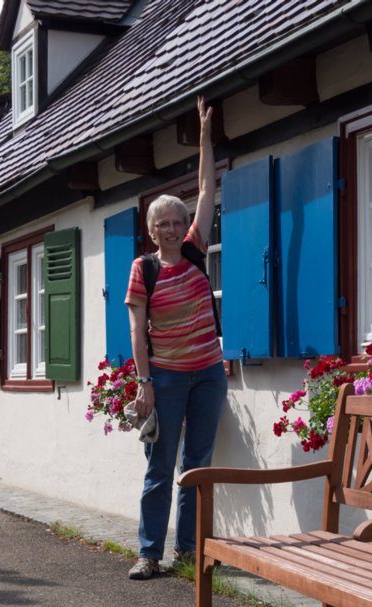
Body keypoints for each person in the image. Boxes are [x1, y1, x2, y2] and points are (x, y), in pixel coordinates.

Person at [123, 95, 227, 580]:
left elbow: (207, 189)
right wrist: (144, 383)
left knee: (198, 465)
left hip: (208, 374)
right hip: (164, 378)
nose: (169, 228)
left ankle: (190, 551)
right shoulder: (143, 269)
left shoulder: (194, 251)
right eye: (160, 222)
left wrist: (205, 137)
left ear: (186, 227)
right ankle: (149, 552)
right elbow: (137, 332)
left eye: (176, 221)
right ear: (150, 230)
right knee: (159, 468)